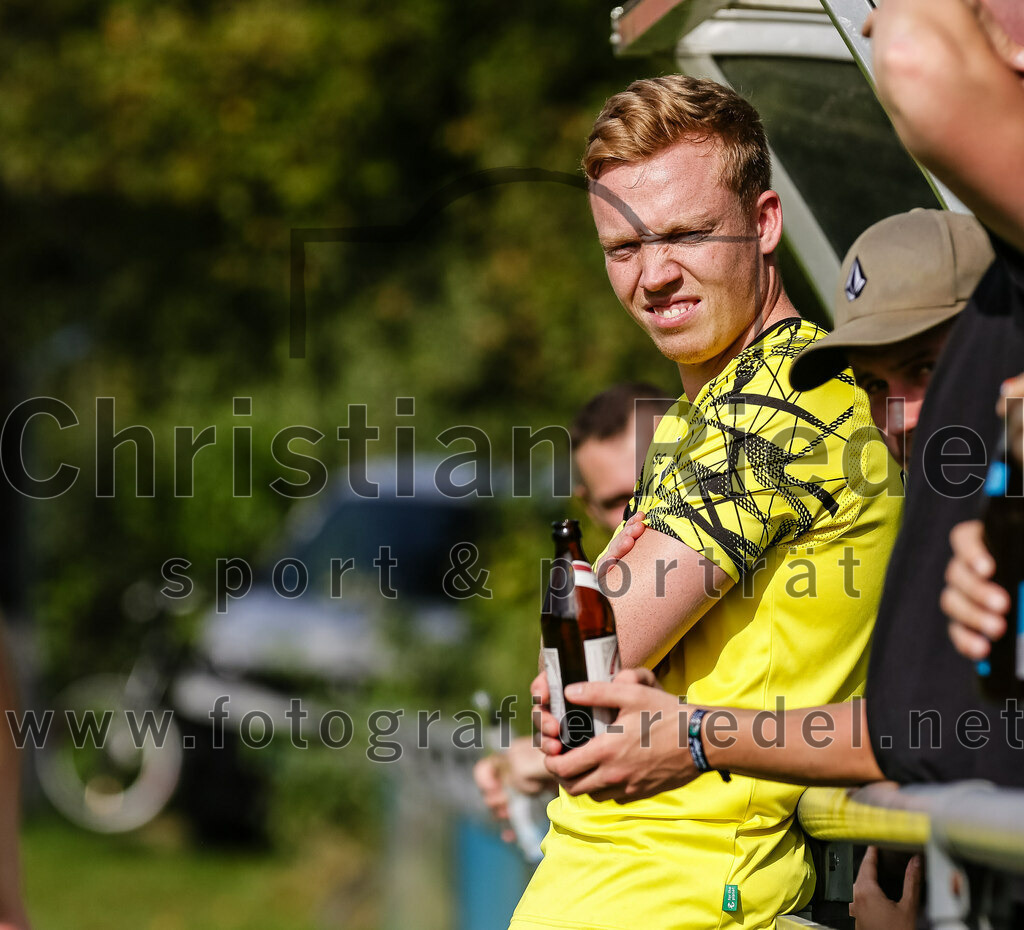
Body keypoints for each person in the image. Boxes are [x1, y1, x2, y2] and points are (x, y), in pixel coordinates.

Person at [511, 75, 902, 930]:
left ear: (764, 222)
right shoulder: (713, 409)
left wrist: (600, 601)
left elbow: (593, 657)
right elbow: (569, 687)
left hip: (692, 900)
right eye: (622, 248)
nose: (653, 275)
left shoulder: (790, 399)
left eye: (685, 234)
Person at [537, 208, 992, 930]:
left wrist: (694, 736)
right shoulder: (959, 519)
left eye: (928, 370)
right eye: (873, 385)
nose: (896, 416)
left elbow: (937, 728)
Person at [473, 382, 672, 842]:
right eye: (614, 501)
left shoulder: (711, 560)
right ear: (586, 503)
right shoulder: (598, 584)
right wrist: (532, 760)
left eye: (648, 486)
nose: (633, 512)